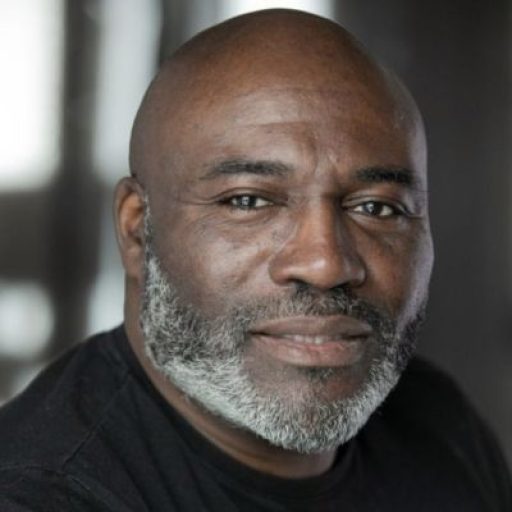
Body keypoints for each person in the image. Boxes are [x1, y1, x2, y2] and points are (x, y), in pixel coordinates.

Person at [0, 8, 510, 511]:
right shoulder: (41, 494)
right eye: (248, 201)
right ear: (137, 229)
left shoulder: (439, 423)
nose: (325, 265)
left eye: (376, 208)